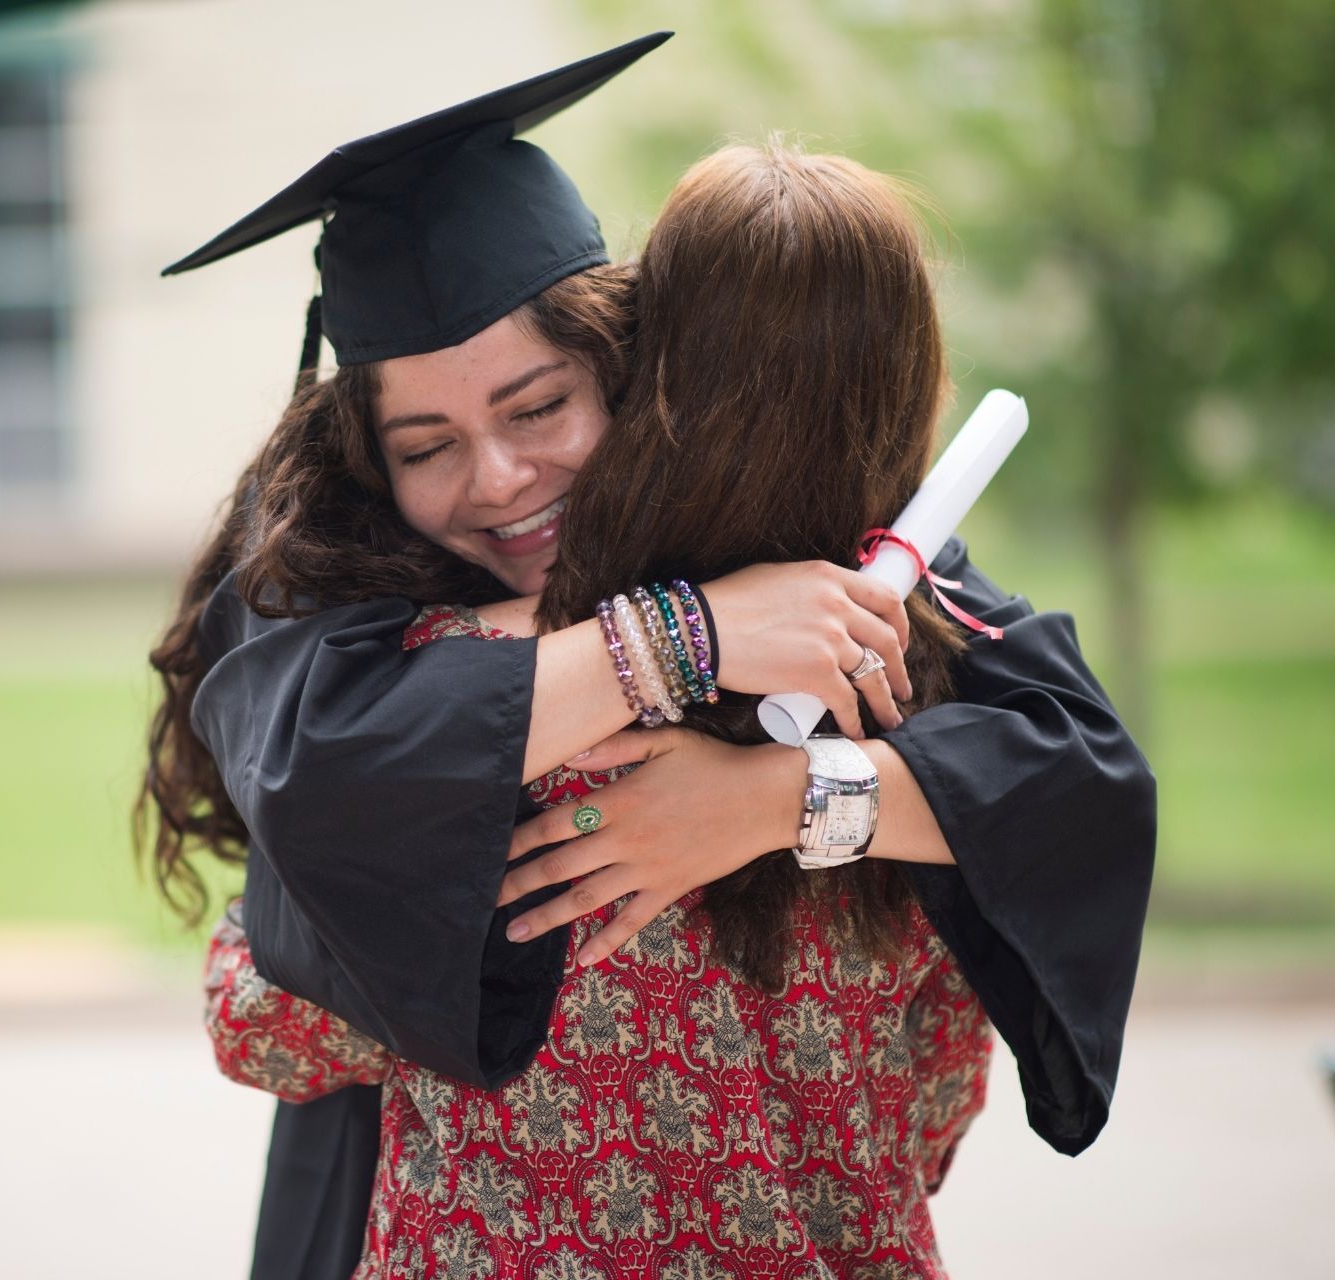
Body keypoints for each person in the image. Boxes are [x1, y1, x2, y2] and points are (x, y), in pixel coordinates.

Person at [149, 33, 1154, 1279]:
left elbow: (1074, 762)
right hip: (364, 1181)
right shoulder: (326, 585)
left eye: (539, 405)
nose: (500, 480)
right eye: (426, 446)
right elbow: (292, 908)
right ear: (367, 463)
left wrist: (775, 798)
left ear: (626, 366)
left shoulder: (832, 580)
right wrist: (690, 635)